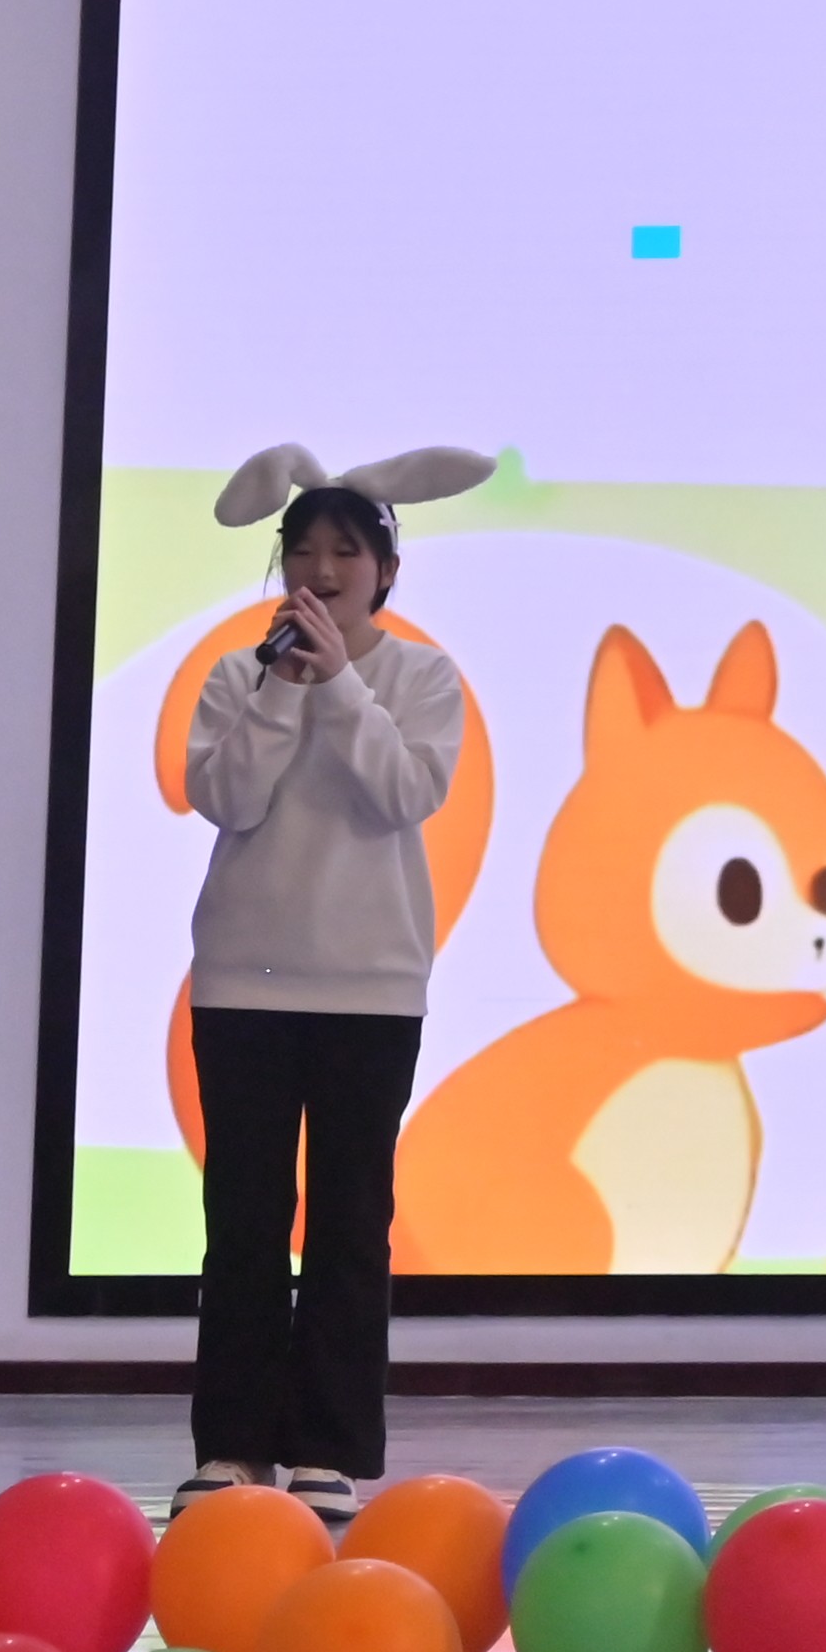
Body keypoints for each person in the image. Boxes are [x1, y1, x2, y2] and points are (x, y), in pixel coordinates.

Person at [177, 445, 487, 1524]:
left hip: (371, 988)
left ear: (384, 571)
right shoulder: (239, 674)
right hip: (243, 984)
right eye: (303, 548)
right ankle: (233, 1446)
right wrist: (283, 688)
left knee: (352, 1224)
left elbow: (404, 792)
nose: (321, 568)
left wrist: (341, 683)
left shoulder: (423, 678)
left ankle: (329, 1447)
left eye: (345, 551)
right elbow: (226, 798)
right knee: (244, 1223)